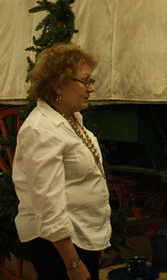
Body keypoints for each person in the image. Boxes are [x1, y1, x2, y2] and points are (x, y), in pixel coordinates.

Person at [12, 43, 111, 280]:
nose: (92, 88)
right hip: (57, 248)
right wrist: (73, 262)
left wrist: (96, 240)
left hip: (80, 237)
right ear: (58, 84)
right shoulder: (41, 130)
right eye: (85, 81)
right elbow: (48, 204)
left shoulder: (71, 119)